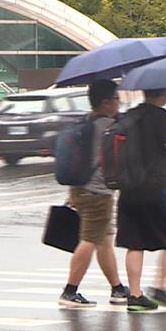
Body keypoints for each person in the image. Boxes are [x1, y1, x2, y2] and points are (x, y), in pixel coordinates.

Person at [116, 88, 166, 312]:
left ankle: (135, 294)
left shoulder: (129, 116)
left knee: (134, 243)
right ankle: (160, 286)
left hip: (129, 189)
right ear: (163, 94)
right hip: (157, 188)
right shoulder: (161, 116)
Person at [59, 80, 129, 307]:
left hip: (81, 188)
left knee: (104, 240)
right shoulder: (108, 127)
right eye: (117, 99)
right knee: (89, 240)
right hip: (97, 192)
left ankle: (117, 288)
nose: (119, 103)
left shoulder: (87, 122)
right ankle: (70, 291)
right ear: (106, 102)